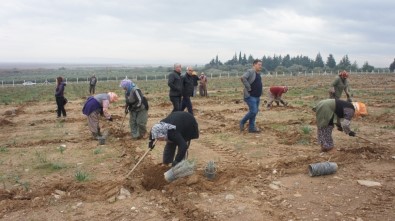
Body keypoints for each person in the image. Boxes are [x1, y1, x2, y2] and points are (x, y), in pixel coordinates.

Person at [240, 59, 263, 133]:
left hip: (257, 97)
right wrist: (248, 88)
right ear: (254, 65)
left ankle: (251, 128)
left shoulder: (258, 74)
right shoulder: (250, 71)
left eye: (261, 65)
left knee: (254, 112)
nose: (260, 66)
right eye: (259, 64)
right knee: (253, 111)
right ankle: (242, 122)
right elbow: (243, 78)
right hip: (250, 96)